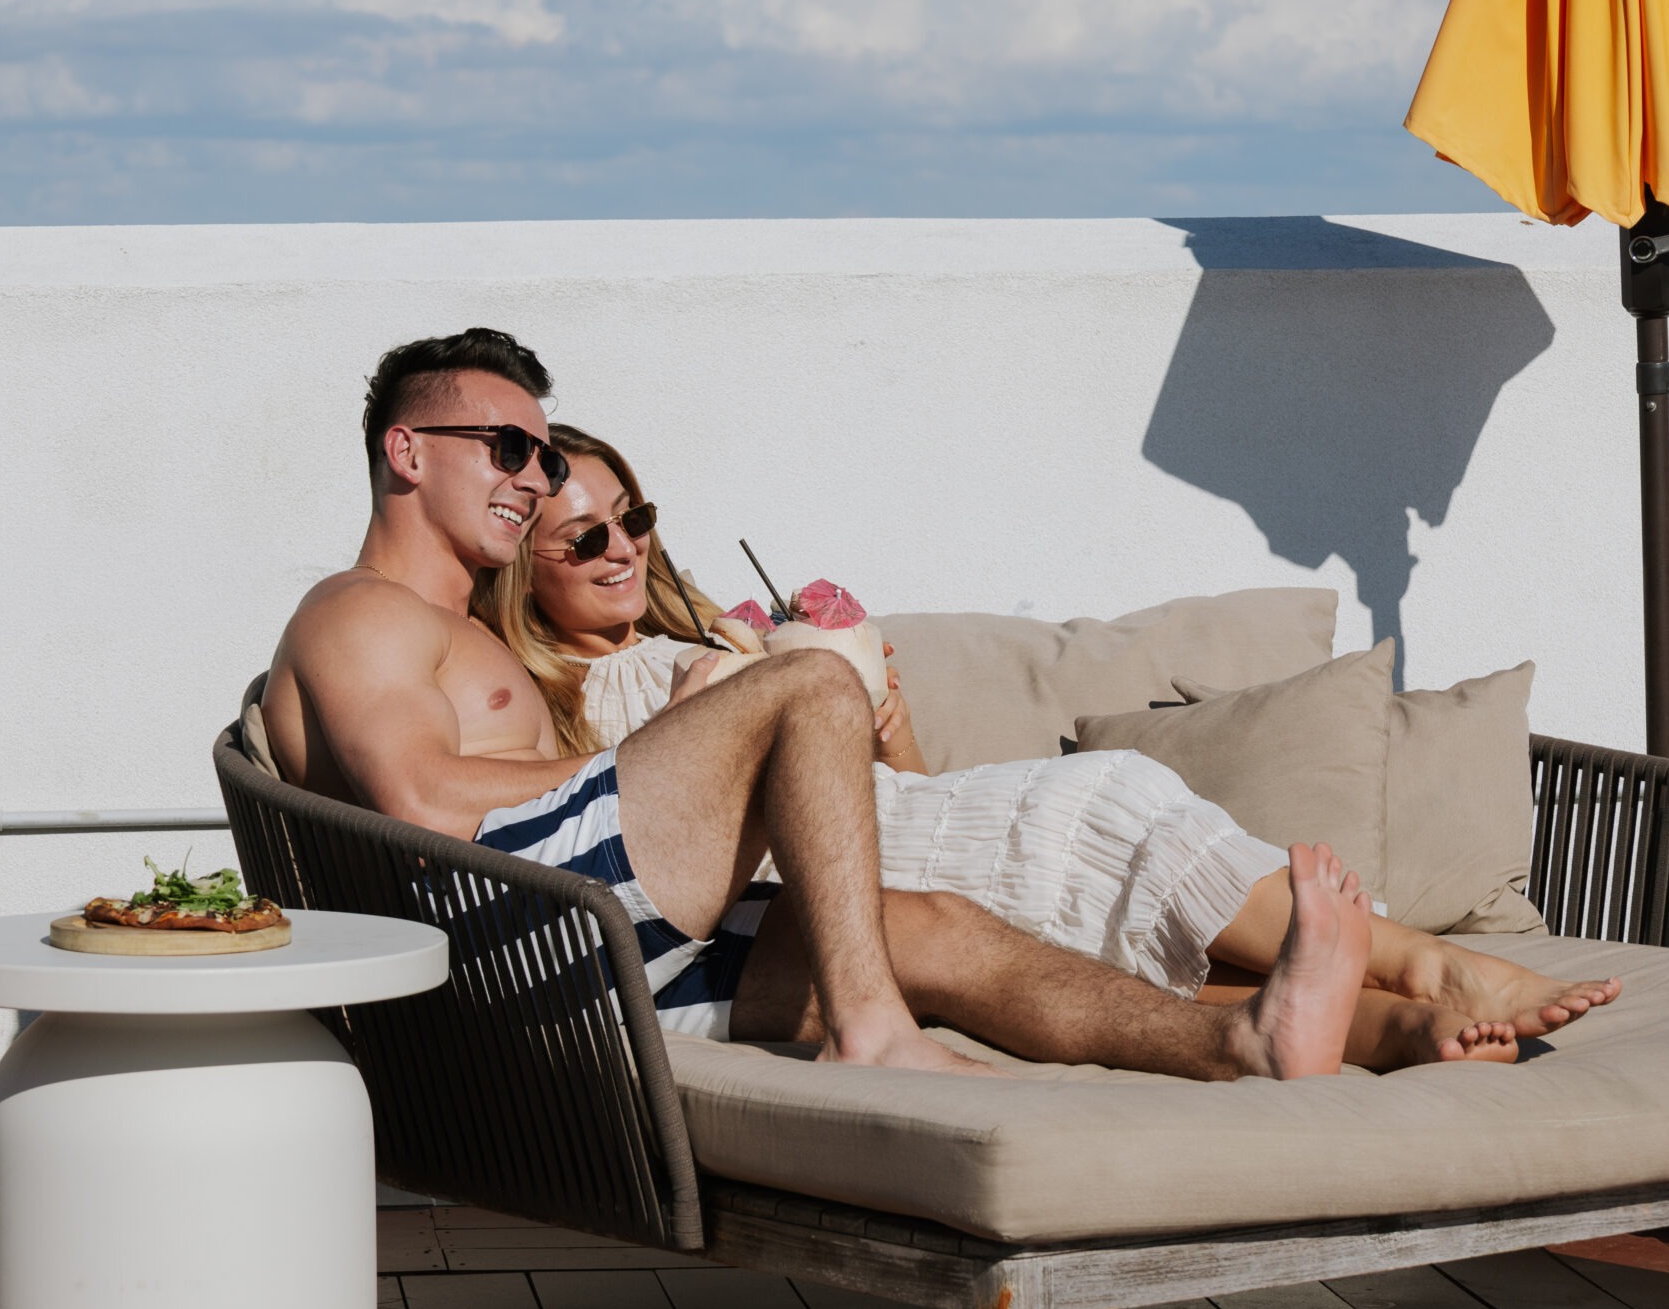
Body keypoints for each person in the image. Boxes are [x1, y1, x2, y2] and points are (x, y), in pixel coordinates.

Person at [263, 328, 1430, 1084]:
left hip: (576, 937)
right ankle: (874, 1033)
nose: (528, 476)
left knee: (941, 930)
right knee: (808, 679)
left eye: (534, 452)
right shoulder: (359, 611)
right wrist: (676, 758)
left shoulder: (459, 626)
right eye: (504, 447)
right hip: (513, 945)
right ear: (407, 452)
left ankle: (1240, 1040)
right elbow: (420, 801)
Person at [479, 422, 1623, 1066]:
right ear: (523, 564)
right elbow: (654, 840)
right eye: (584, 537)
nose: (621, 547)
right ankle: (1421, 971)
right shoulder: (569, 693)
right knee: (1106, 799)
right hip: (806, 884)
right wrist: (710, 703)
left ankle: (1398, 1023)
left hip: (886, 835)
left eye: (635, 518)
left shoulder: (710, 634)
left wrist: (884, 729)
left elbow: (886, 797)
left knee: (1104, 882)